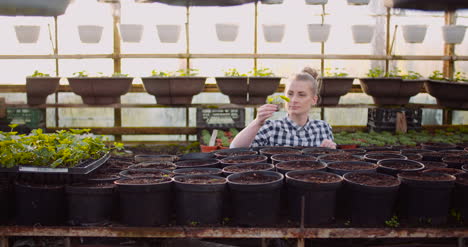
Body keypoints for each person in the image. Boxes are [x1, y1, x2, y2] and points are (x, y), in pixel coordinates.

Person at [230, 66, 336, 149]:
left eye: (301, 94)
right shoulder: (271, 128)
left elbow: (328, 162)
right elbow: (235, 149)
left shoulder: (323, 128)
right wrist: (257, 122)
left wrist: (328, 151)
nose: (293, 99)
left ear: (314, 100)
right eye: (290, 93)